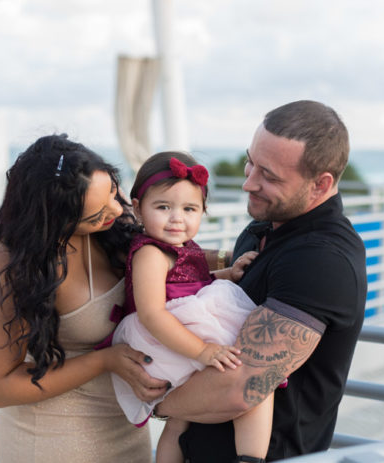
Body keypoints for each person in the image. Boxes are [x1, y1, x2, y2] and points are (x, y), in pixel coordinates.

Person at [155, 100, 368, 462]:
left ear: (321, 184)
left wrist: (153, 401)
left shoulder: (322, 259)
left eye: (269, 176)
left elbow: (241, 387)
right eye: (250, 161)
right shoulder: (266, 226)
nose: (247, 182)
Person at [0, 134, 169, 463]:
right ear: (55, 220)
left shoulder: (115, 226)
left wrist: (230, 262)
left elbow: (169, 262)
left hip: (124, 428)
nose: (117, 211)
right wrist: (104, 360)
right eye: (94, 216)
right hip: (53, 438)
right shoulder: (17, 263)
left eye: (113, 193)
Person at [110, 151, 273, 463]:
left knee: (180, 419)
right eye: (163, 207)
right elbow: (152, 312)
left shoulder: (181, 248)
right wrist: (203, 351)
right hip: (163, 339)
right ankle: (251, 458)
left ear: (203, 211)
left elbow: (188, 283)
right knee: (256, 382)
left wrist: (227, 273)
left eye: (189, 209)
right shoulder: (151, 254)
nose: (177, 218)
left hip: (178, 331)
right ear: (138, 208)